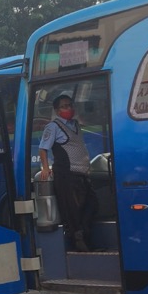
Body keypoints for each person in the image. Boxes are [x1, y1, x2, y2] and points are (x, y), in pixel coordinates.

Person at [38, 94, 98, 252]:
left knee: (92, 204)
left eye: (70, 105)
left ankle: (86, 234)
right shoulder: (53, 127)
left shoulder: (76, 124)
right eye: (64, 106)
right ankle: (78, 240)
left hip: (82, 174)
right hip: (66, 175)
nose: (69, 108)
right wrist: (45, 168)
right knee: (72, 210)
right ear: (57, 110)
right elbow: (43, 149)